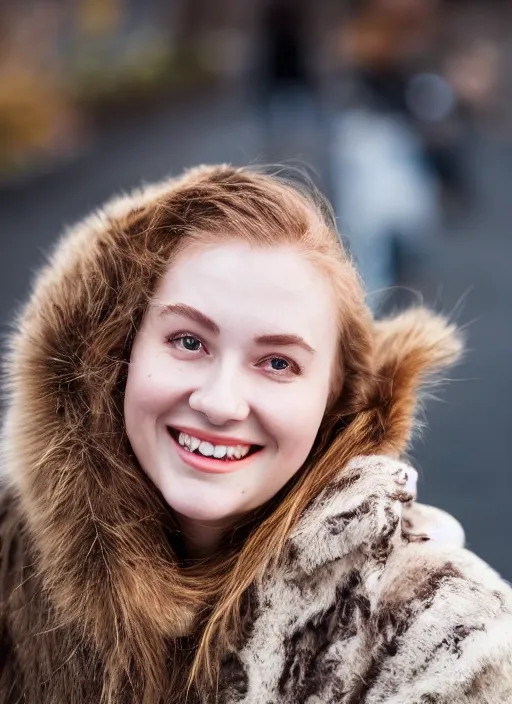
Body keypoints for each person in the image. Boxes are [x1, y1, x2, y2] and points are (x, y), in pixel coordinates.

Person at [0, 164, 511, 703]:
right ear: (116, 355)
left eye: (277, 363)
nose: (220, 403)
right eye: (188, 342)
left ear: (335, 401)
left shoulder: (436, 632)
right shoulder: (11, 558)